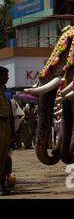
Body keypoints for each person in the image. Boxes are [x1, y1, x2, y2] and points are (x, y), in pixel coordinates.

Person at [0, 67, 15, 195]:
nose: (7, 77)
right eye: (5, 75)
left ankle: (2, 183)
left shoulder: (3, 90)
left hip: (6, 124)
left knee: (4, 156)